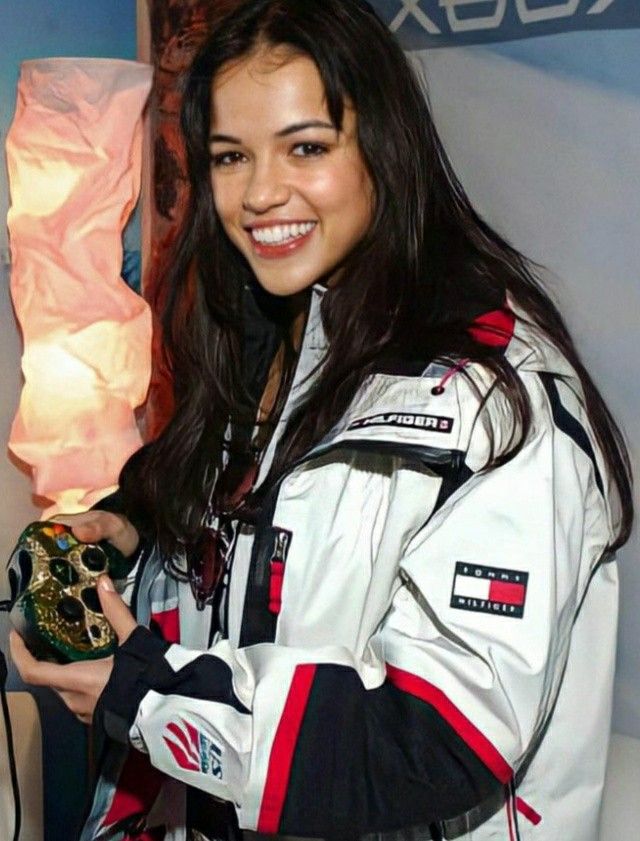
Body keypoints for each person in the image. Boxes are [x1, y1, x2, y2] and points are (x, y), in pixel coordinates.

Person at [9, 1, 634, 839]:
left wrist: (150, 695)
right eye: (231, 156)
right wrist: (130, 525)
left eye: (306, 146)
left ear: (383, 145)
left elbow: (440, 739)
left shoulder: (499, 400)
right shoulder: (277, 329)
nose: (261, 193)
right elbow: (235, 526)